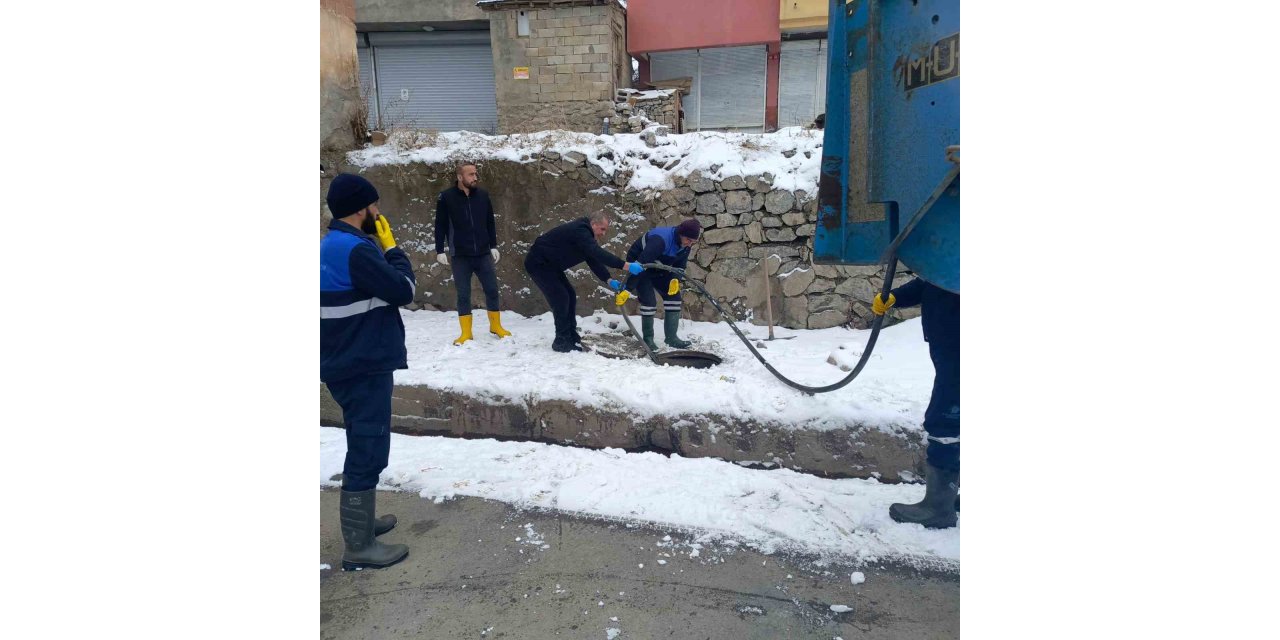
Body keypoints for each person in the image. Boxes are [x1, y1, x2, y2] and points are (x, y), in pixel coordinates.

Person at [321, 173, 416, 570]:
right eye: (374, 205)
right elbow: (405, 290)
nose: (378, 210)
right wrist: (391, 246)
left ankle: (363, 522)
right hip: (362, 362)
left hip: (345, 360)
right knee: (368, 445)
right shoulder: (358, 251)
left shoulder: (331, 245)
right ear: (363, 208)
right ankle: (358, 546)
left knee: (364, 439)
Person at [872, 277, 960, 529]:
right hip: (949, 342)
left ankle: (938, 507)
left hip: (957, 345)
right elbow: (935, 278)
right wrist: (895, 297)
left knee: (945, 420)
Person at [523, 210, 643, 352]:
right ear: (593, 224)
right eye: (602, 229)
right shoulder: (580, 231)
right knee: (561, 298)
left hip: (551, 266)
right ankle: (561, 341)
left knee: (570, 296)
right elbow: (597, 253)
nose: (603, 233)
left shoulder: (585, 236)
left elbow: (593, 260)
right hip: (539, 264)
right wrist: (626, 266)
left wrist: (609, 280)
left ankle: (571, 336)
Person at [434, 162, 511, 345]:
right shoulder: (446, 197)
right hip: (460, 255)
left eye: (476, 174)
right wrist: (439, 249)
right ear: (460, 177)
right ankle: (466, 332)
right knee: (463, 294)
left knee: (492, 290)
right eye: (471, 175)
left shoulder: (483, 195)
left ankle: (496, 326)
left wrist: (493, 245)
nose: (475, 177)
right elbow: (440, 225)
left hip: (483, 253)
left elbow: (489, 221)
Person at [623, 219, 701, 351]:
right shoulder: (660, 240)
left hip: (660, 267)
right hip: (640, 265)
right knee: (649, 302)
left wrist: (675, 280)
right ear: (681, 234)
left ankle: (671, 338)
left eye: (693, 242)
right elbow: (641, 264)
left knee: (674, 298)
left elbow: (680, 266)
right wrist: (628, 288)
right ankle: (648, 339)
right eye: (688, 240)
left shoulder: (686, 245)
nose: (690, 244)